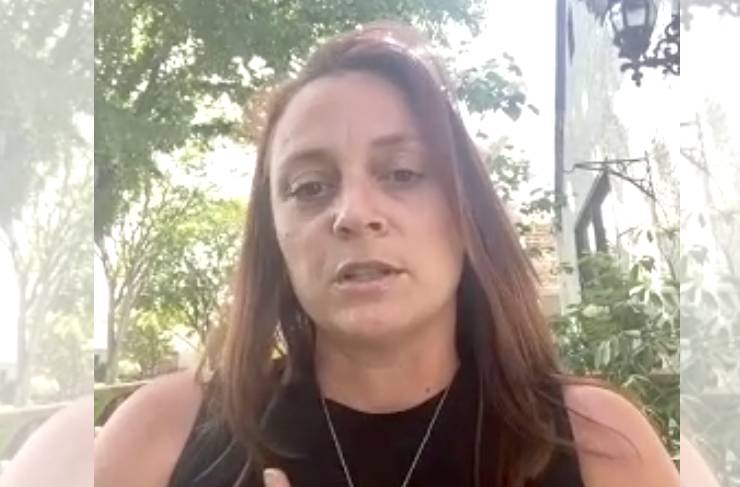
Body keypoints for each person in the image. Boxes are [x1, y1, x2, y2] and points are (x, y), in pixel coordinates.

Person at [94, 22, 679, 487]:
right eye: (310, 187)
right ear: (274, 237)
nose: (354, 213)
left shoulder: (603, 446)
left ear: (465, 213)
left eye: (402, 173)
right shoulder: (161, 436)